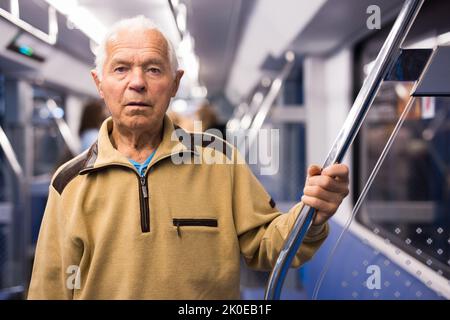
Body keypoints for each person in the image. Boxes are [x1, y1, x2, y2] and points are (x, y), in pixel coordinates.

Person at [28, 15, 349, 299]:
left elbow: (267, 245)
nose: (137, 83)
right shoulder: (69, 182)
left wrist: (310, 215)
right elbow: (51, 287)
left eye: (153, 69)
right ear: (100, 84)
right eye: (121, 68)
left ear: (175, 83)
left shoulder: (219, 160)